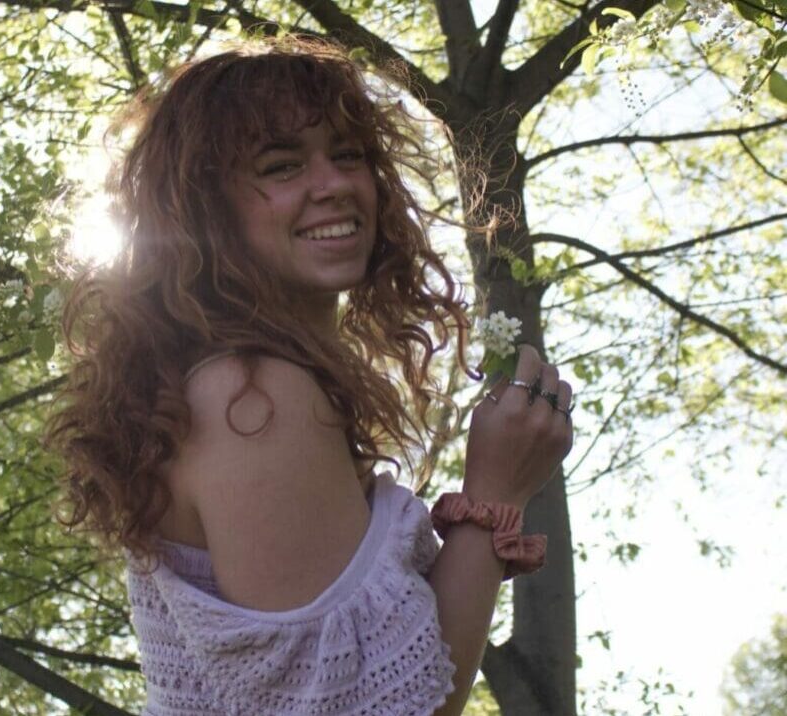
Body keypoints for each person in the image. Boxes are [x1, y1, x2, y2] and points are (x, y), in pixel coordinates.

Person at [44, 35, 573, 716]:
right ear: (209, 208)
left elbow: (398, 680)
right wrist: (497, 491)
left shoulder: (227, 389)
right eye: (281, 165)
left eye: (348, 154)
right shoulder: (252, 399)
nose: (334, 185)